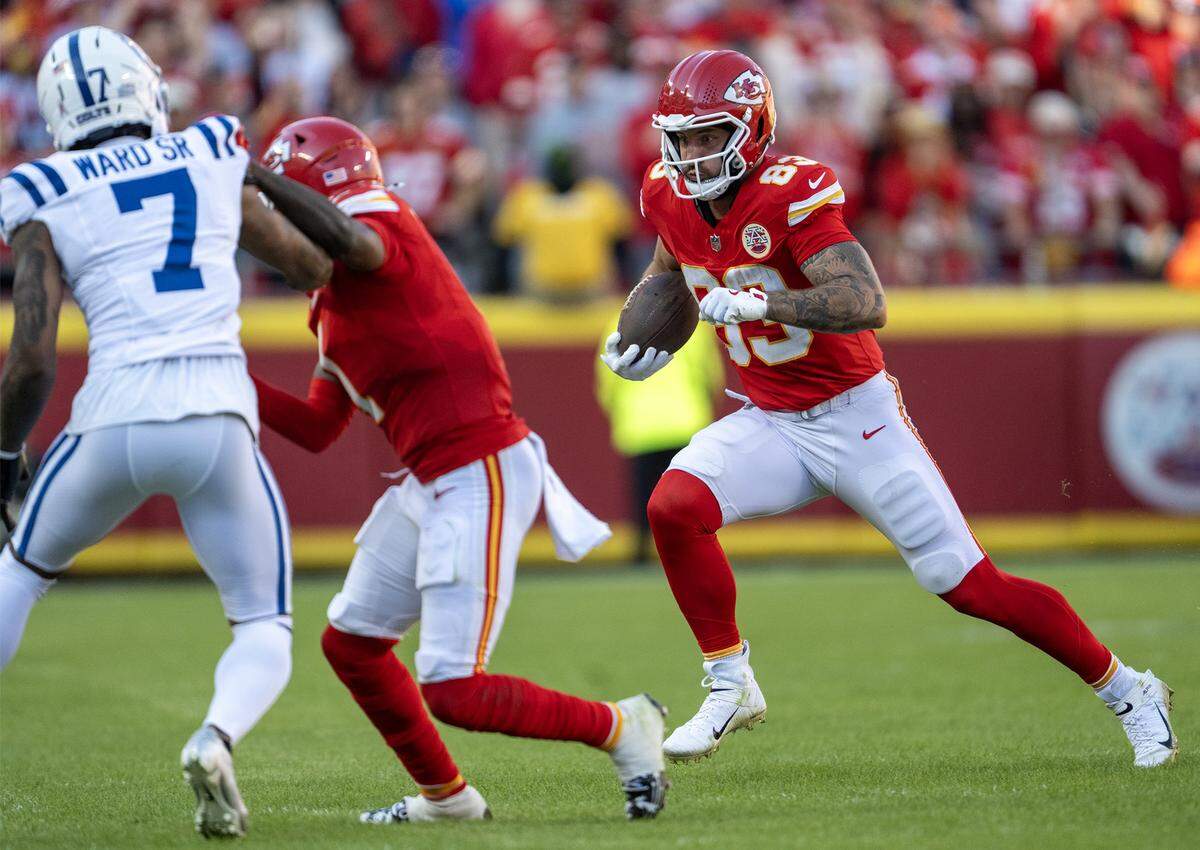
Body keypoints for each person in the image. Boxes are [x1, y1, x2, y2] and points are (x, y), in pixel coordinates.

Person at [601, 49, 1178, 769]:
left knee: (967, 585)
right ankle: (730, 681)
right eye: (681, 140)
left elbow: (865, 301)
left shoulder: (791, 191)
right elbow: (673, 268)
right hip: (772, 418)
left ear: (750, 131)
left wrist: (765, 301)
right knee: (674, 507)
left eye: (708, 137)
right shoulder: (667, 194)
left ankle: (1130, 690)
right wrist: (642, 329)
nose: (691, 156)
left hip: (856, 418)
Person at [245, 116, 668, 824]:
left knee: (453, 688)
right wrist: (229, 377)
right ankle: (448, 799)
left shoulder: (374, 219)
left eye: (280, 204)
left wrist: (258, 178)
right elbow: (319, 427)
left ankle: (624, 726)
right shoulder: (331, 302)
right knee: (352, 646)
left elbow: (351, 240)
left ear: (311, 193)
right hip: (432, 478)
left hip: (478, 462)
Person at [0, 26, 331, 839]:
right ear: (144, 87)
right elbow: (308, 265)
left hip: (111, 417)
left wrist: (4, 454)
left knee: (20, 573)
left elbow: (32, 358)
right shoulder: (210, 148)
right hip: (217, 414)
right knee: (264, 623)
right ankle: (216, 737)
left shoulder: (40, 186)